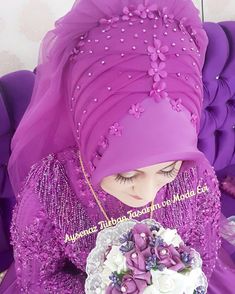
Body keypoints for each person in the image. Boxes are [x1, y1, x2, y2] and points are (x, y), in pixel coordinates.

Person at [1, 0, 235, 293]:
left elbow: (203, 253)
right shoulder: (50, 187)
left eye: (167, 169)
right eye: (126, 175)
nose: (147, 192)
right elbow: (37, 280)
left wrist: (178, 280)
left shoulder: (195, 172)